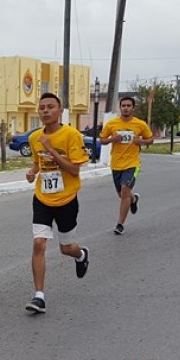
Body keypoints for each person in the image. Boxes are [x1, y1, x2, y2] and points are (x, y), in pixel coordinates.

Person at [24, 93, 90, 314]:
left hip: (67, 199)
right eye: (41, 107)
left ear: (60, 110)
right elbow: (38, 162)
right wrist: (33, 172)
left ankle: (81, 255)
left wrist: (51, 149)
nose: (45, 111)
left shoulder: (71, 135)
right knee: (39, 243)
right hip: (42, 198)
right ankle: (39, 296)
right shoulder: (35, 138)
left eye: (50, 107)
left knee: (65, 248)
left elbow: (73, 169)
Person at [99, 96, 154, 235]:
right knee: (122, 194)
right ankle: (133, 199)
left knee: (124, 191)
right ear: (120, 107)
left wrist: (140, 142)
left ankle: (119, 224)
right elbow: (102, 140)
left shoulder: (140, 124)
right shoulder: (112, 124)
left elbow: (150, 139)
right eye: (123, 105)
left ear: (133, 108)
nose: (126, 108)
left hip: (132, 163)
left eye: (129, 105)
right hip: (116, 163)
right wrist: (113, 139)